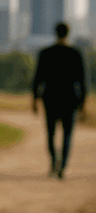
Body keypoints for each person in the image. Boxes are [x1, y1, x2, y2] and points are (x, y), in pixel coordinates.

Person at [31, 22, 88, 179]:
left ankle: (53, 161)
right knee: (67, 134)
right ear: (68, 33)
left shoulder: (46, 53)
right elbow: (82, 81)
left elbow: (37, 78)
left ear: (55, 33)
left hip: (50, 99)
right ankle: (62, 166)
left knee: (50, 133)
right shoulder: (75, 53)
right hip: (70, 99)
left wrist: (35, 100)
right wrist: (83, 103)